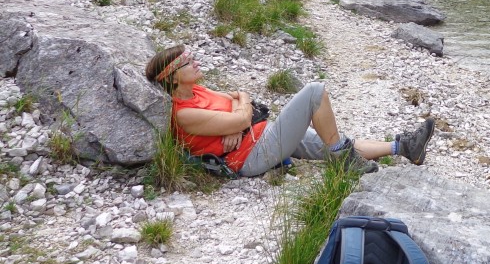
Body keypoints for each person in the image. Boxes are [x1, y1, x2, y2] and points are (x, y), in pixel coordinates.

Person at [145, 44, 435, 176]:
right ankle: (343, 158)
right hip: (251, 156)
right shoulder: (183, 112)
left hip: (262, 137)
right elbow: (244, 112)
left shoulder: (197, 90)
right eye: (187, 62)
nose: (196, 62)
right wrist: (239, 120)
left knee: (334, 142)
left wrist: (236, 122)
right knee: (314, 92)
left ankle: (403, 147)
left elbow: (239, 96)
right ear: (171, 77)